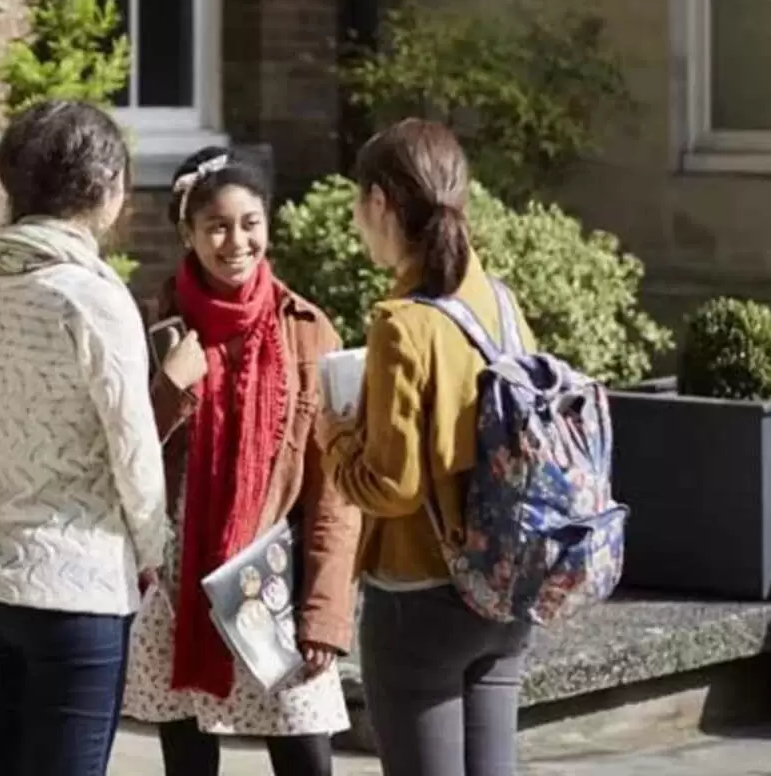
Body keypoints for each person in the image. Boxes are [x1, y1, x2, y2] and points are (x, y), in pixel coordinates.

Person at [0, 100, 169, 776]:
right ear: (105, 187)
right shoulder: (93, 298)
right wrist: (154, 551)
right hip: (78, 591)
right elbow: (134, 453)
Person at [122, 148, 362, 776]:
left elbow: (333, 485)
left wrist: (326, 611)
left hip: (272, 582)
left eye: (250, 223)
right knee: (189, 761)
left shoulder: (307, 329)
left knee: (305, 756)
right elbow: (124, 449)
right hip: (180, 578)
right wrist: (172, 387)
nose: (236, 242)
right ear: (189, 233)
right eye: (218, 227)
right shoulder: (153, 324)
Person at [317, 119, 538, 776]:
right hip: (504, 584)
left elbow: (392, 484)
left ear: (381, 203)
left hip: (418, 595)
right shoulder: (499, 302)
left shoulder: (401, 324)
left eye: (360, 205)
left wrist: (334, 441)